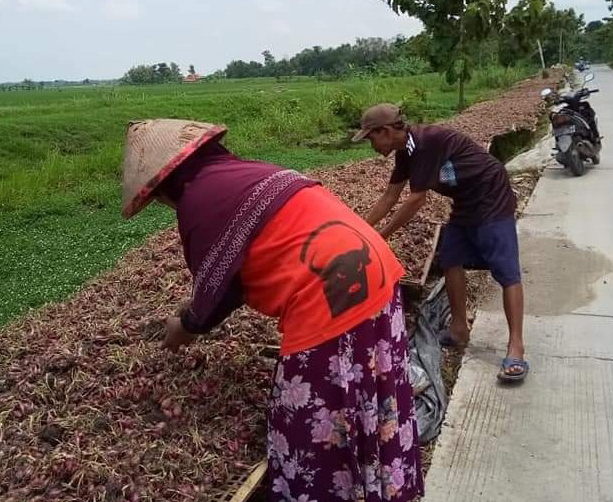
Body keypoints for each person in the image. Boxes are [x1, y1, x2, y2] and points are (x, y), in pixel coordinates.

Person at [122, 119, 423, 502]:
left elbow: (221, 291)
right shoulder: (250, 170)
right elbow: (229, 272)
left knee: (304, 430)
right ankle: (380, 484)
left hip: (331, 296)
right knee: (371, 387)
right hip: (375, 269)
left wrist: (185, 325)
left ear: (165, 185)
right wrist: (195, 306)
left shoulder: (197, 201)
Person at [353, 104, 529, 382]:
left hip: (491, 197)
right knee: (450, 258)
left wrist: (380, 237)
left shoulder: (427, 142)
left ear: (385, 131)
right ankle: (459, 329)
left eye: (371, 138)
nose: (371, 145)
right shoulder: (406, 153)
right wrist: (356, 230)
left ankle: (516, 346)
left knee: (507, 272)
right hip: (465, 202)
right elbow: (389, 197)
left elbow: (415, 200)